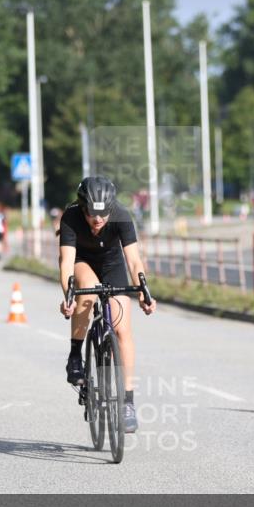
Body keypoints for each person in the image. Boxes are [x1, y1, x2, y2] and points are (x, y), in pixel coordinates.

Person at [58, 176, 157, 433]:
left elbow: (134, 261)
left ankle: (127, 402)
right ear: (83, 208)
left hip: (113, 264)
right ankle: (75, 355)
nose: (98, 220)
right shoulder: (70, 218)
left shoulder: (122, 215)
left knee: (123, 329)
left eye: (103, 214)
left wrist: (145, 293)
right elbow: (66, 261)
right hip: (82, 261)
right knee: (88, 294)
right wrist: (68, 294)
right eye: (92, 214)